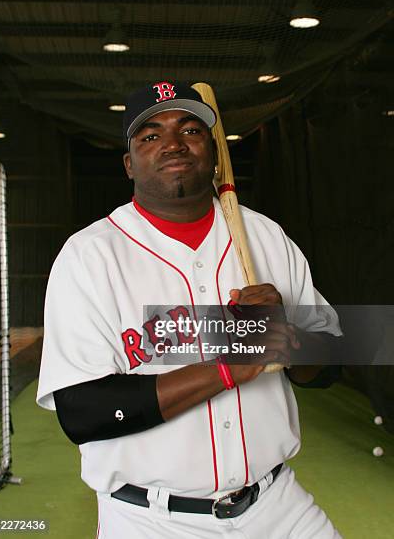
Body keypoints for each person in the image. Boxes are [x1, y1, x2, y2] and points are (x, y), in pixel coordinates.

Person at [37, 81, 342, 538]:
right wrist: (224, 369)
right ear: (129, 164)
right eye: (151, 135)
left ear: (214, 153)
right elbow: (82, 413)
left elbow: (329, 366)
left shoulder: (267, 238)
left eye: (191, 130)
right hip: (151, 519)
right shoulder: (88, 256)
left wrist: (289, 336)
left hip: (278, 506)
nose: (173, 143)